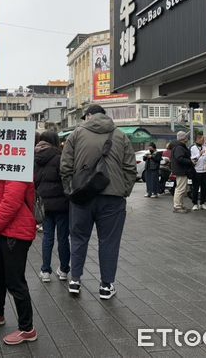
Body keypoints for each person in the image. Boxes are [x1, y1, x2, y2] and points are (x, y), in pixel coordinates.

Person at [60, 104, 136, 299]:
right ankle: (105, 286)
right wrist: (123, 190)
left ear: (89, 116)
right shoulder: (120, 135)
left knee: (78, 238)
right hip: (113, 198)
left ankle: (75, 280)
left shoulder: (75, 134)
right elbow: (130, 168)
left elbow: (65, 166)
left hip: (82, 196)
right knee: (109, 241)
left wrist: (70, 190)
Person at [0, 179, 38, 346]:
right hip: (5, 231)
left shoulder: (18, 170)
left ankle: (27, 329)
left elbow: (11, 202)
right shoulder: (5, 172)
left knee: (15, 281)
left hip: (16, 234)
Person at [34, 130, 70, 283]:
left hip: (44, 205)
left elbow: (34, 181)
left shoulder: (36, 158)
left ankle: (45, 271)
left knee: (47, 237)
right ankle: (63, 270)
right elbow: (66, 180)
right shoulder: (60, 157)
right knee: (63, 238)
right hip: (62, 205)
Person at [170, 131, 193, 214]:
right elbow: (180, 158)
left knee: (181, 188)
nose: (188, 138)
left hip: (180, 170)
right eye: (186, 137)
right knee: (180, 189)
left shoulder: (178, 146)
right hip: (181, 170)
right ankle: (177, 206)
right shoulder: (179, 147)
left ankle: (180, 205)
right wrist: (190, 161)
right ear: (184, 138)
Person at [190, 134, 206, 211]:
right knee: (195, 188)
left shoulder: (204, 147)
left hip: (204, 170)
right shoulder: (193, 148)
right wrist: (199, 154)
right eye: (202, 140)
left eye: (203, 140)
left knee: (204, 188)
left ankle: (202, 203)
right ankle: (195, 204)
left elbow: (205, 157)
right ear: (197, 140)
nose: (203, 141)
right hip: (196, 171)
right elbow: (193, 159)